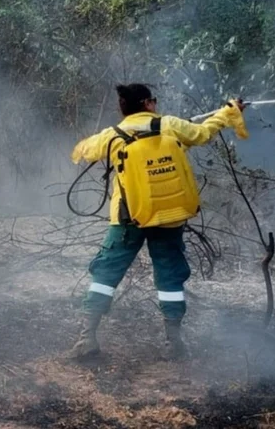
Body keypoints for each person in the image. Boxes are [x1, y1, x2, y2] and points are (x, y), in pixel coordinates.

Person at [67, 83, 248, 361]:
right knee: (170, 277)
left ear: (123, 109)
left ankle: (86, 338)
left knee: (105, 275)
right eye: (154, 101)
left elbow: (83, 152)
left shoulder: (112, 135)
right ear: (149, 104)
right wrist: (228, 112)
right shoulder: (170, 125)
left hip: (128, 220)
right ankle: (174, 343)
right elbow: (202, 133)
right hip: (170, 218)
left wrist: (89, 146)